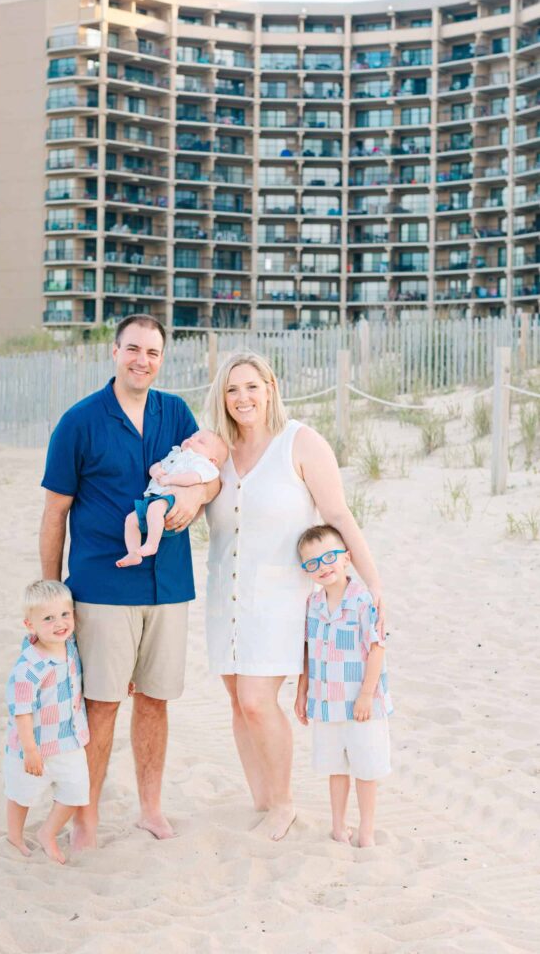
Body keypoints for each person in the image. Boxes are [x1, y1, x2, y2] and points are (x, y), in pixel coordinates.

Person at [40, 315, 220, 849]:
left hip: (168, 586)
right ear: (114, 352)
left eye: (153, 352)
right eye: (134, 349)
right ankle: (86, 818)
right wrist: (52, 595)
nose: (143, 360)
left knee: (156, 700)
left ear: (162, 360)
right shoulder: (79, 422)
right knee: (102, 704)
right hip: (102, 588)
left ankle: (150, 808)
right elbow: (54, 516)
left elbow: (209, 476)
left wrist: (194, 498)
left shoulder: (177, 413)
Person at [204, 352, 384, 841]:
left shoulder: (301, 443)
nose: (242, 398)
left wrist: (373, 583)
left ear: (270, 387)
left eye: (251, 387)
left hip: (282, 599)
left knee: (259, 701)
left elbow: (339, 516)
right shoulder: (217, 452)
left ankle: (283, 803)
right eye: (232, 390)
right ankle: (261, 801)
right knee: (238, 704)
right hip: (226, 597)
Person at [294, 525, 392, 847]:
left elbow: (377, 648)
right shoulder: (313, 605)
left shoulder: (363, 600)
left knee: (365, 768)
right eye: (312, 563)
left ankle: (366, 831)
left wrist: (366, 695)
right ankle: (339, 826)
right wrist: (302, 690)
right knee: (336, 768)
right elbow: (308, 650)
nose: (323, 567)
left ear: (346, 558)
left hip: (362, 704)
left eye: (329, 557)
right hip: (326, 701)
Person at [4, 580, 90, 864]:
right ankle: (14, 834)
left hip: (69, 740)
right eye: (49, 618)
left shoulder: (72, 648)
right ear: (31, 625)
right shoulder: (29, 666)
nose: (59, 623)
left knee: (76, 792)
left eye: (65, 614)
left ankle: (47, 832)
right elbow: (22, 710)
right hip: (34, 747)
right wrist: (30, 749)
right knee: (22, 794)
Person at [117, 429, 228, 567]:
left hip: (172, 501)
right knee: (131, 520)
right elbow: (158, 465)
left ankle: (152, 544)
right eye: (192, 436)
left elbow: (193, 478)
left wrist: (170, 479)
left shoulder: (203, 463)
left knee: (155, 508)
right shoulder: (176, 454)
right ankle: (134, 553)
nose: (192, 439)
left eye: (200, 441)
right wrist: (155, 471)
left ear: (212, 460)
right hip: (153, 498)